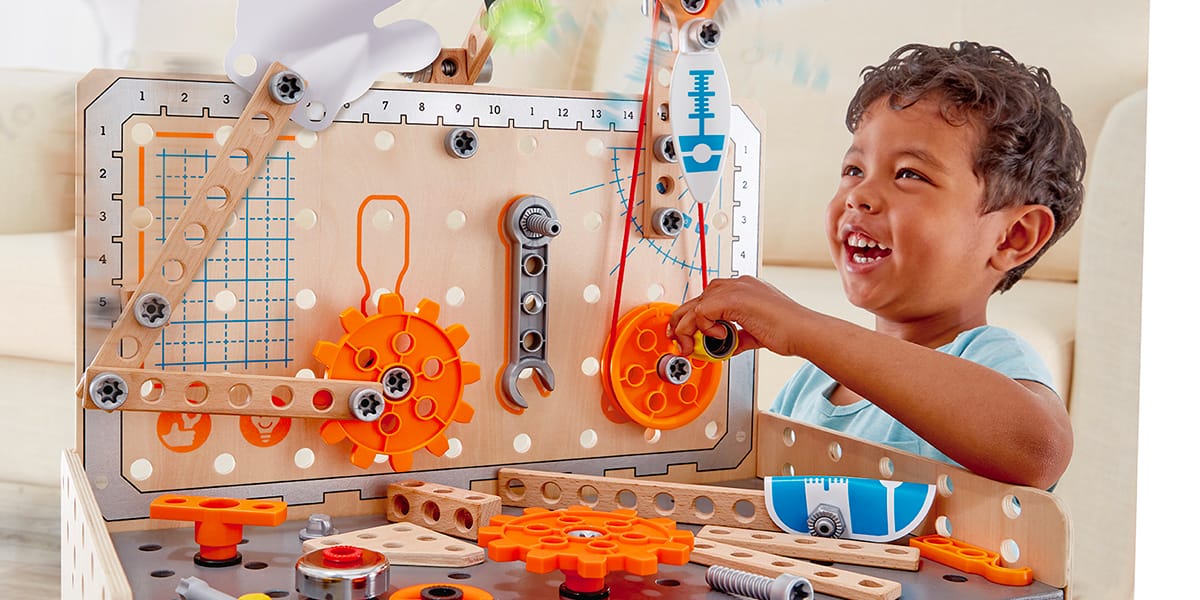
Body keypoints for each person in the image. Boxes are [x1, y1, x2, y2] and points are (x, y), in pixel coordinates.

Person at [668, 41, 1084, 490]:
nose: (859, 195)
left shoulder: (991, 356)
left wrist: (802, 327)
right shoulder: (811, 385)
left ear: (1013, 236)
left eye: (909, 174)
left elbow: (1039, 449)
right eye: (854, 170)